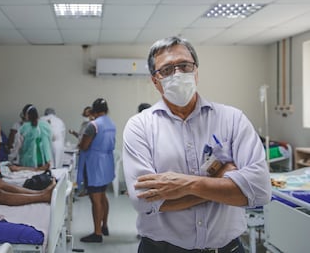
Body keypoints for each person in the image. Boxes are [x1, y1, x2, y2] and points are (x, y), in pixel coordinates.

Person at [122, 36, 272, 253]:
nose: (178, 74)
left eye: (184, 66)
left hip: (227, 248)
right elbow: (145, 202)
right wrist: (223, 184)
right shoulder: (140, 126)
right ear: (155, 81)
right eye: (166, 70)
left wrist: (183, 185)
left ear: (196, 72)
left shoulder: (232, 119)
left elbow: (259, 191)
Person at [78, 98, 116, 243]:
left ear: (94, 110)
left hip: (94, 164)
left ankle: (97, 233)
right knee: (103, 196)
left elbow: (84, 145)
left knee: (95, 199)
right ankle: (104, 225)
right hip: (107, 163)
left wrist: (80, 144)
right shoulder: (111, 123)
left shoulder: (93, 125)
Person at [69, 106, 93, 197]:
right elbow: (80, 136)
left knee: (85, 171)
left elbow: (88, 139)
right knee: (82, 171)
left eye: (86, 114)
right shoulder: (84, 124)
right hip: (82, 149)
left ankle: (84, 190)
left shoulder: (92, 125)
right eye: (84, 114)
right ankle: (80, 189)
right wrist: (73, 132)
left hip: (87, 150)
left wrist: (82, 145)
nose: (84, 115)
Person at [18, 105, 53, 171]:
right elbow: (50, 139)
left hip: (29, 161)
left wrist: (11, 157)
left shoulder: (25, 127)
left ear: (26, 115)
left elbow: (18, 145)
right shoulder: (45, 125)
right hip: (45, 160)